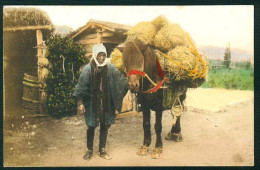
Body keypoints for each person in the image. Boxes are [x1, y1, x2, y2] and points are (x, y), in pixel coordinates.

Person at [73, 44, 128, 160]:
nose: (101, 58)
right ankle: (89, 150)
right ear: (95, 55)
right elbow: (81, 87)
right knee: (91, 126)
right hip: (92, 103)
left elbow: (120, 80)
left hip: (106, 103)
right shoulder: (88, 69)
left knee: (104, 125)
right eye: (99, 56)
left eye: (103, 56)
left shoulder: (110, 68)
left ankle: (102, 150)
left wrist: (130, 79)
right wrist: (80, 103)